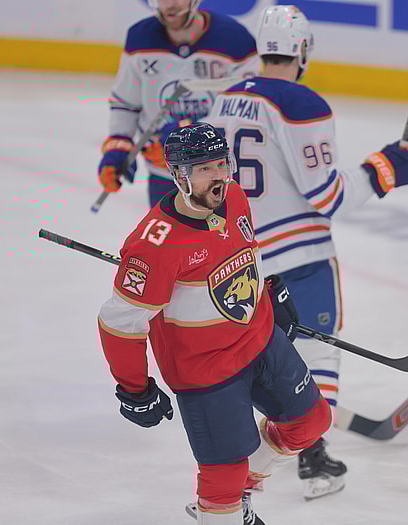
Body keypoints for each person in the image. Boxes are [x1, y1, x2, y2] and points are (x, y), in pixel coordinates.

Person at [203, 5, 408, 500]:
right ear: (302, 52)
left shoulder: (223, 102)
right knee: (317, 350)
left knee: (254, 359)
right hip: (299, 257)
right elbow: (329, 197)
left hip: (239, 256)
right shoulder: (302, 103)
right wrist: (386, 169)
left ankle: (231, 476)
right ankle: (310, 456)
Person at [97, 123, 332, 525]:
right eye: (204, 169)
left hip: (259, 341)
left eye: (222, 164)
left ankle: (240, 492)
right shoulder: (154, 246)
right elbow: (119, 322)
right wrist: (135, 389)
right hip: (205, 370)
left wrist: (267, 295)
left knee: (311, 422)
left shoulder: (236, 197)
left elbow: (239, 259)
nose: (219, 176)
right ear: (178, 175)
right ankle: (226, 504)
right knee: (224, 470)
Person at [97, 0, 261, 208]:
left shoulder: (234, 39)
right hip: (165, 173)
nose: (170, 5)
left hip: (220, 175)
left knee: (225, 239)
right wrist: (118, 146)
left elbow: (248, 105)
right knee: (169, 240)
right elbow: (126, 102)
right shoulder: (140, 38)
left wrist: (187, 134)